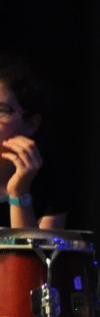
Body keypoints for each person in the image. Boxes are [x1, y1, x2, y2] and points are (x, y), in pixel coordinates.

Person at [0, 55, 69, 229]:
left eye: (1, 110)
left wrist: (19, 193)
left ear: (31, 123)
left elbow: (34, 257)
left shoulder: (48, 186)